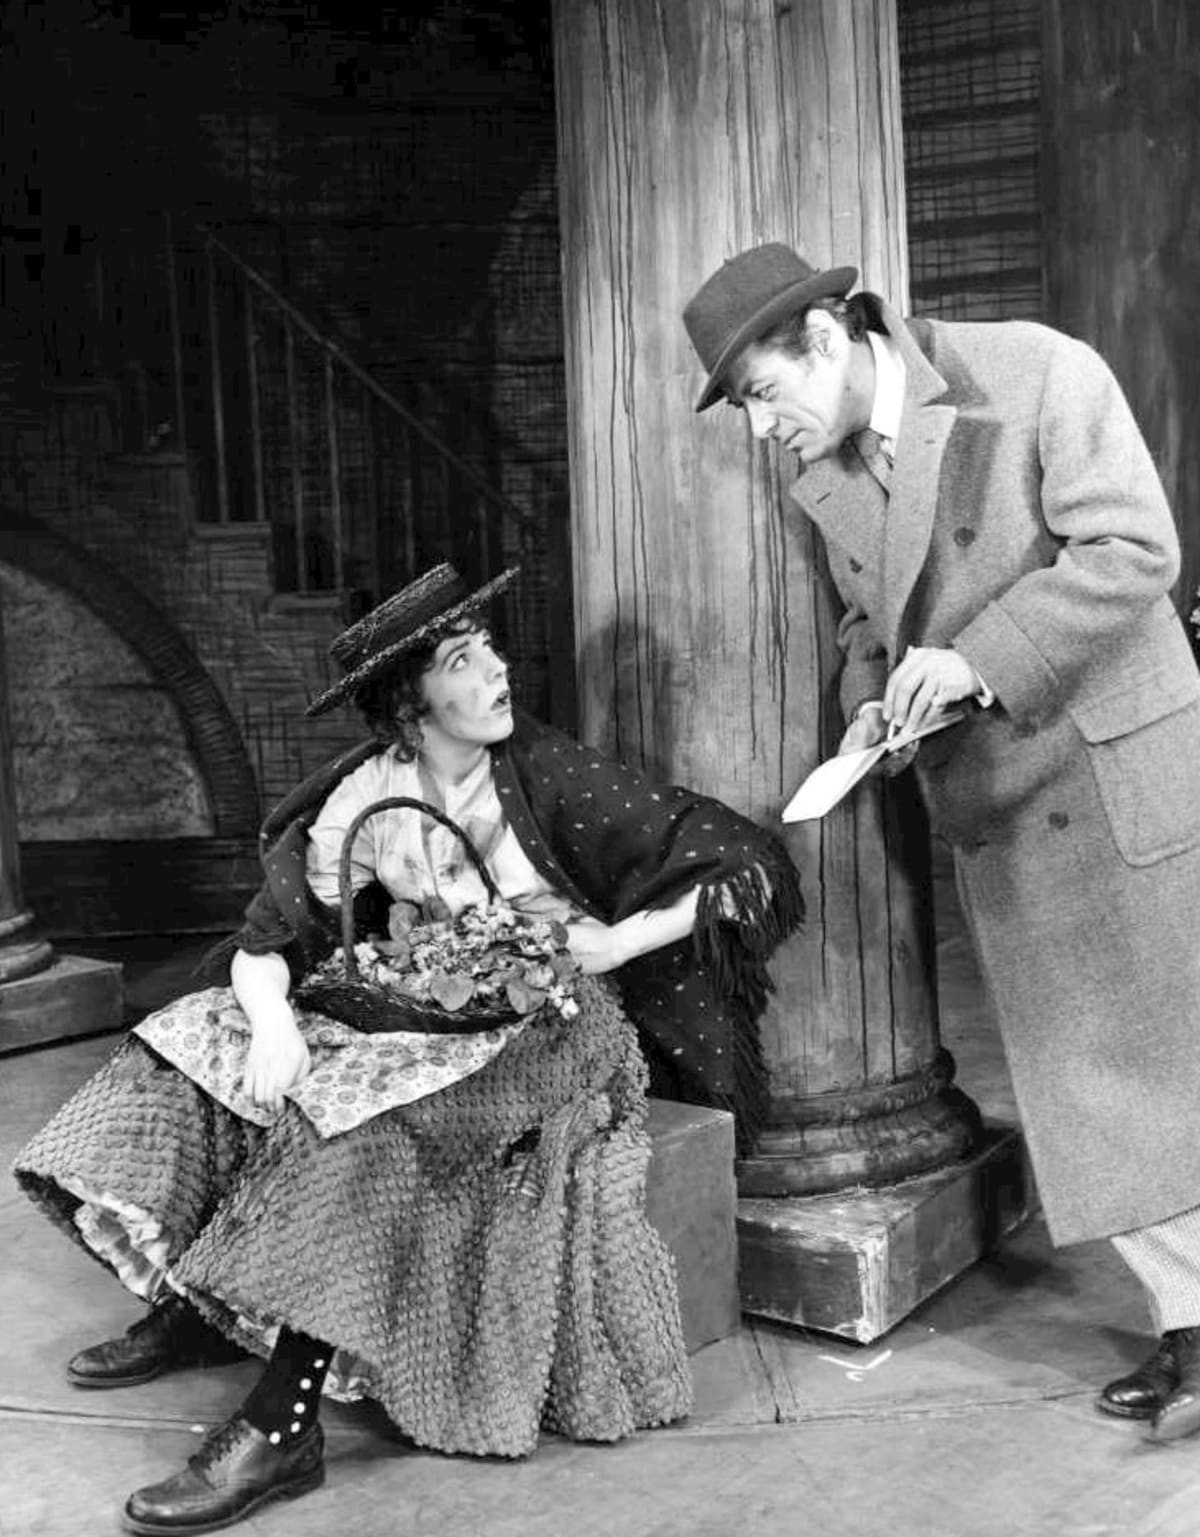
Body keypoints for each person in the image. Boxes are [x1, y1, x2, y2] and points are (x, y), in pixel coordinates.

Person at [14, 562, 802, 1536]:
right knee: (180, 1051)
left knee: (357, 1127)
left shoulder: (550, 774)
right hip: (417, 1009)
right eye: (465, 664)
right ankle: (203, 1298)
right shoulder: (363, 798)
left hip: (550, 1025)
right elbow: (270, 943)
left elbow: (743, 860)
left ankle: (282, 1422)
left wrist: (616, 940)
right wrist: (270, 1026)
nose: (499, 674)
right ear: (406, 704)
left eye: (491, 652)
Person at [683, 241, 1200, 1444]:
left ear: (824, 338)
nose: (763, 431)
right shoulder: (826, 479)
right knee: (1096, 1089)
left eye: (763, 395)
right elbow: (876, 618)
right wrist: (877, 704)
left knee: (1164, 1069)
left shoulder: (1033, 376)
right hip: (1004, 801)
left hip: (1115, 778)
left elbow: (1134, 550)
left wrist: (976, 658)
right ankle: (1192, 1321)